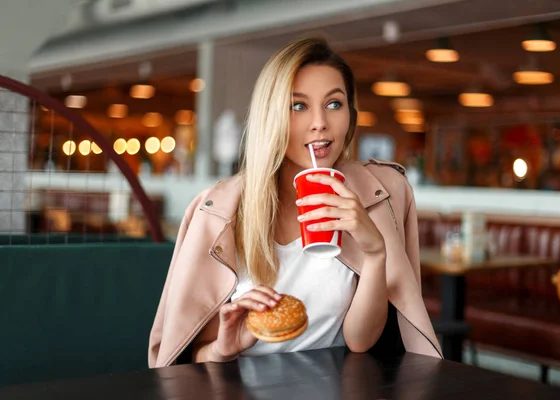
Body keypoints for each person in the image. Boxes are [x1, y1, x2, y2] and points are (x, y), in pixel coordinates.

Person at [148, 37, 442, 368]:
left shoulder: (372, 196)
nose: (320, 122)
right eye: (298, 106)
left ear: (350, 115)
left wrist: (375, 254)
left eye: (334, 104)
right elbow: (185, 358)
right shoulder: (218, 213)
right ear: (270, 117)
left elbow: (360, 342)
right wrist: (221, 349)